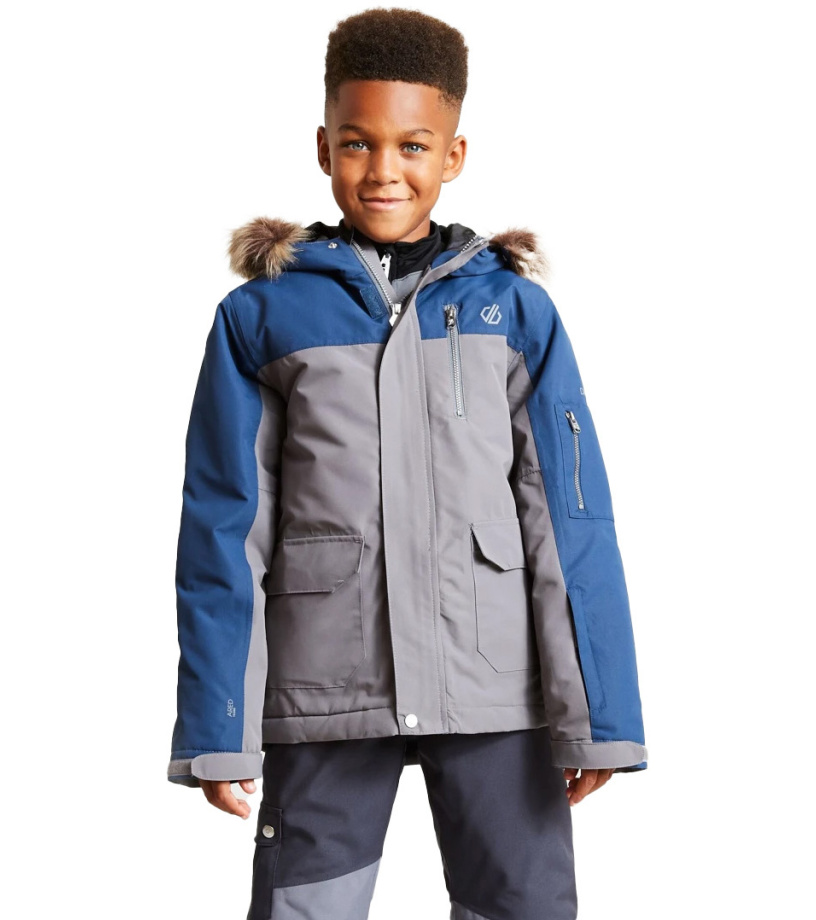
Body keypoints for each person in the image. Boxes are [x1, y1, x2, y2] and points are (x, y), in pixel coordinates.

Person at [166, 8, 647, 919]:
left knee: (525, 904)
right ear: (323, 147)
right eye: (357, 143)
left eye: (413, 146)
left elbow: (570, 519)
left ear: (454, 155)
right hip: (325, 686)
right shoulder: (262, 317)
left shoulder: (514, 311)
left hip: (498, 686)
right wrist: (216, 727)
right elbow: (224, 530)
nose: (384, 169)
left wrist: (601, 714)